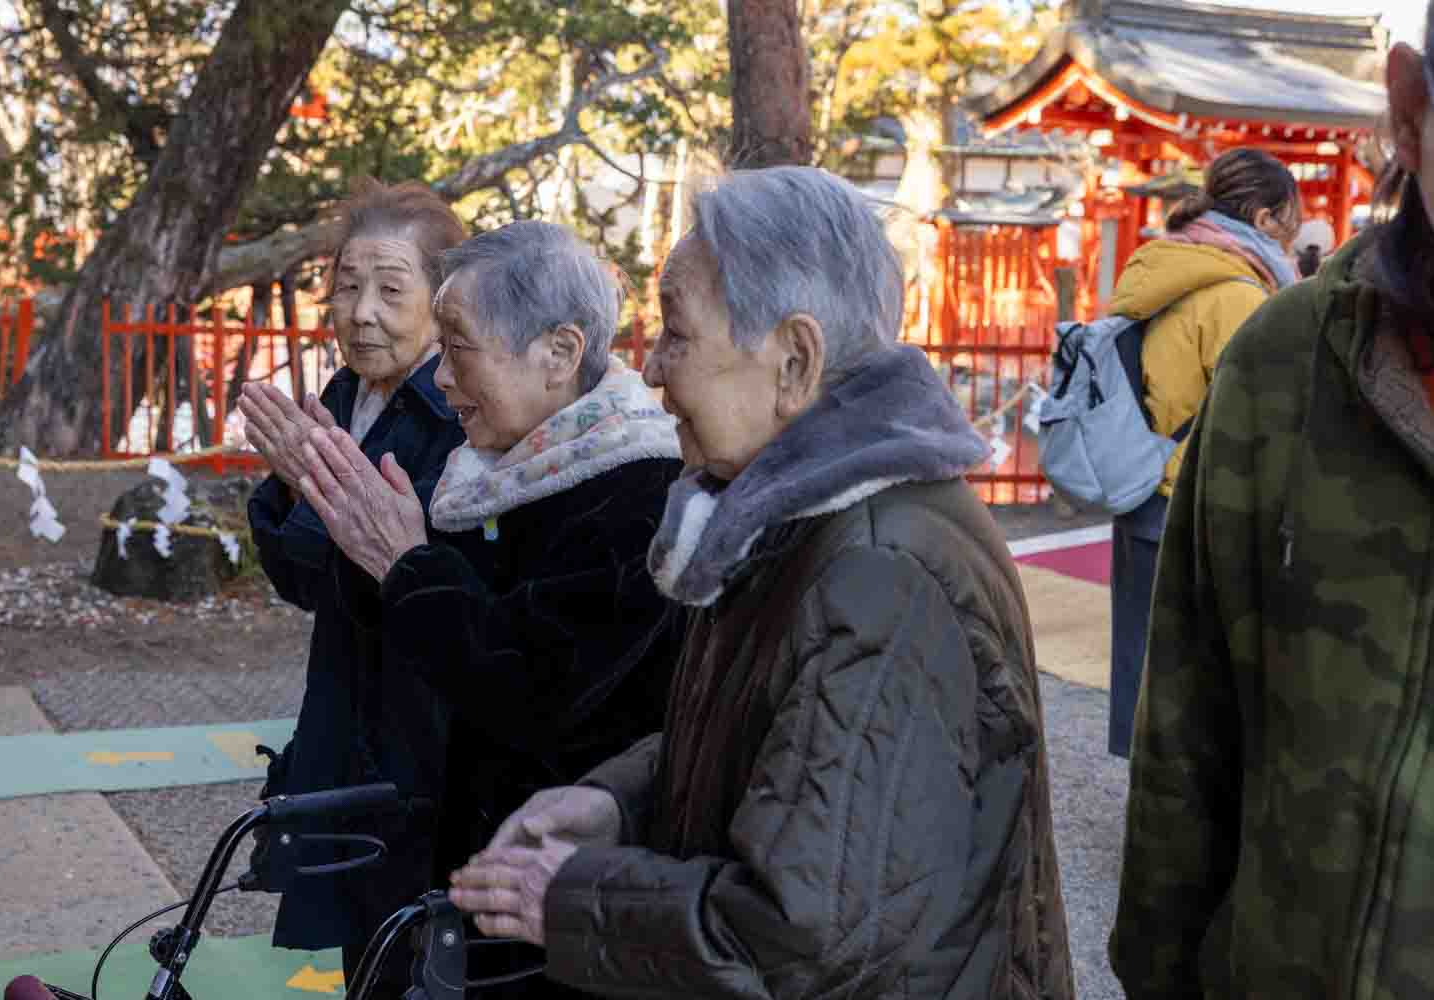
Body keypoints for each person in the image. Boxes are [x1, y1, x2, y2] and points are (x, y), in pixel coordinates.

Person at [448, 166, 1076, 999]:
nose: (653, 369)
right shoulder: (797, 515)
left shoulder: (881, 567)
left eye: (677, 333)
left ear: (795, 360)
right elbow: (782, 745)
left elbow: (802, 935)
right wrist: (621, 803)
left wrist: (569, 899)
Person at [1110, 14, 1434, 997]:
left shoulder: (1170, 276)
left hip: (1153, 486)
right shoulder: (1281, 348)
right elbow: (1192, 746)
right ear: (1413, 116)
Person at [294, 220, 685, 997]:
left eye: (460, 346)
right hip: (465, 869)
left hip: (562, 900)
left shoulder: (636, 498)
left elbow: (531, 692)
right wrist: (371, 551)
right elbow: (412, 647)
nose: (439, 376)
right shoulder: (493, 473)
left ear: (560, 353)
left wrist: (406, 566)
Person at [241, 180, 467, 977]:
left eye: (391, 289)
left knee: (412, 947)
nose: (362, 310)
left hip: (418, 730)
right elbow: (305, 583)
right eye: (346, 286)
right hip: (344, 706)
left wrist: (315, 486)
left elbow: (402, 584)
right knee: (359, 949)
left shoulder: (457, 410)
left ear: (443, 303)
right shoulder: (346, 393)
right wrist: (298, 485)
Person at [1104, 147, 1301, 758]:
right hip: (1200, 498)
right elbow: (1263, 415)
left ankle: (1143, 803)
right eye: (1294, 215)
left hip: (1142, 483)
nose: (1298, 228)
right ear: (1265, 218)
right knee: (1204, 672)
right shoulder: (1238, 294)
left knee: (1142, 659)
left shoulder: (1161, 265)